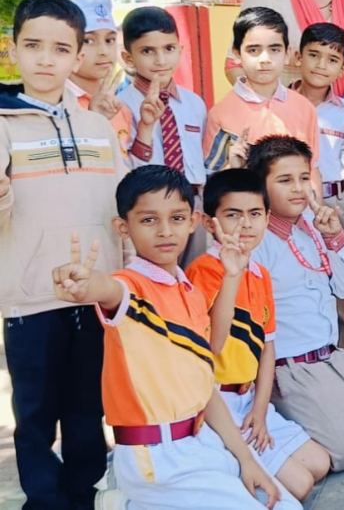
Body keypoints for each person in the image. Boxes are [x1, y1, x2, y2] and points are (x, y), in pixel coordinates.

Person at [55, 165, 298, 510]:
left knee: (285, 504)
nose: (165, 231)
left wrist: (246, 459)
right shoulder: (131, 286)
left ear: (193, 222)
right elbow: (108, 290)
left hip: (201, 442)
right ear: (123, 227)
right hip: (154, 457)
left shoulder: (187, 291)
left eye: (177, 218)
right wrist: (84, 284)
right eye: (149, 220)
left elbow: (206, 376)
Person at [1, 0, 126, 510]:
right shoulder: (4, 125)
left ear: (78, 56)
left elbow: (120, 206)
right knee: (34, 417)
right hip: (30, 300)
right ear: (12, 50)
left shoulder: (98, 127)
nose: (45, 59)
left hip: (93, 294)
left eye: (60, 48)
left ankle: (85, 495)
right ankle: (45, 502)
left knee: (87, 410)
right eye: (33, 46)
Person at [246, 136, 344, 472]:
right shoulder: (256, 242)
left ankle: (332, 411)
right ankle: (285, 422)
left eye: (304, 177)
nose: (299, 189)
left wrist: (335, 237)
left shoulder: (314, 227)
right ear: (260, 186)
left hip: (333, 356)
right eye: (285, 180)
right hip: (292, 367)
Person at [186, 169, 332, 500]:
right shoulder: (203, 271)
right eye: (232, 215)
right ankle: (223, 467)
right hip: (216, 401)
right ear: (209, 223)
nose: (245, 224)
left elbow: (267, 347)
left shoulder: (261, 273)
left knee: (319, 464)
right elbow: (212, 346)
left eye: (254, 214)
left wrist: (261, 410)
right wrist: (231, 276)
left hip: (249, 398)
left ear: (267, 217)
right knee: (300, 485)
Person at [117, 6, 209, 264]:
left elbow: (201, 159)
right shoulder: (122, 106)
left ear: (180, 49)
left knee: (195, 272)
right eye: (148, 51)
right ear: (128, 57)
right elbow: (126, 168)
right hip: (149, 209)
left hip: (193, 204)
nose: (160, 60)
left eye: (169, 48)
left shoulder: (194, 104)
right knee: (154, 276)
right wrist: (145, 128)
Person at [203, 8, 322, 183]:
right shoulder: (221, 113)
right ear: (237, 54)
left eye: (274, 49)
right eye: (253, 50)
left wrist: (315, 201)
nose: (265, 59)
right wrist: (234, 168)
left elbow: (313, 170)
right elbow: (210, 180)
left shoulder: (304, 108)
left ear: (287, 53)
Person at [292, 23, 344, 235]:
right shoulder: (279, 105)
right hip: (286, 200)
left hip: (333, 202)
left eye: (332, 60)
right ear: (298, 57)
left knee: (336, 255)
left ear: (342, 70)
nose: (321, 65)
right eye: (314, 55)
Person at [65, 0, 134, 161]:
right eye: (89, 41)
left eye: (109, 40)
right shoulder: (58, 105)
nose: (103, 51)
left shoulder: (119, 106)